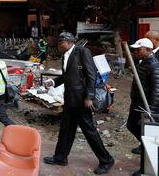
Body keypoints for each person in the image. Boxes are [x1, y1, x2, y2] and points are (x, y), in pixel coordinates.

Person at [43, 32, 114, 175]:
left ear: (68, 42)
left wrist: (89, 96)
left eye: (60, 42)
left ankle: (106, 160)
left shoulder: (82, 52)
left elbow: (91, 75)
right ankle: (60, 157)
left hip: (81, 101)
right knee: (66, 130)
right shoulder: (65, 55)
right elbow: (66, 76)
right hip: (70, 99)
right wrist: (53, 82)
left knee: (89, 131)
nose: (58, 45)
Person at [128, 38, 159, 155]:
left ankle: (149, 154)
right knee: (131, 125)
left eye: (138, 50)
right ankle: (144, 144)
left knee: (147, 132)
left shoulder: (155, 67)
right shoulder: (143, 62)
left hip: (147, 106)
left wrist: (150, 113)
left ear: (149, 50)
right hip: (137, 103)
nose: (135, 52)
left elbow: (157, 92)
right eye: (135, 50)